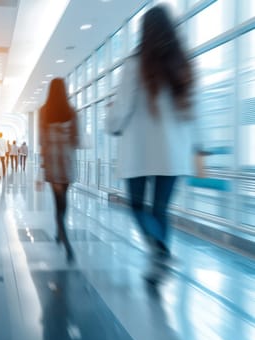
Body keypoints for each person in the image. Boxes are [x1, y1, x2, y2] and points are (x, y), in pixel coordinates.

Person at [106, 5, 196, 284]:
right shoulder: (182, 64)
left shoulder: (134, 64)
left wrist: (111, 123)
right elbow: (193, 110)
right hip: (173, 154)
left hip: (140, 152)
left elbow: (122, 107)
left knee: (136, 205)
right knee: (159, 209)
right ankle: (160, 252)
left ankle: (158, 250)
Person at [39, 78, 77, 263]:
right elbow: (76, 140)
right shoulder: (72, 112)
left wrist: (42, 164)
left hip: (53, 162)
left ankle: (64, 238)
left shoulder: (44, 112)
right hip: (67, 162)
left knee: (58, 201)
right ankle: (60, 233)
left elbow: (42, 141)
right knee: (64, 202)